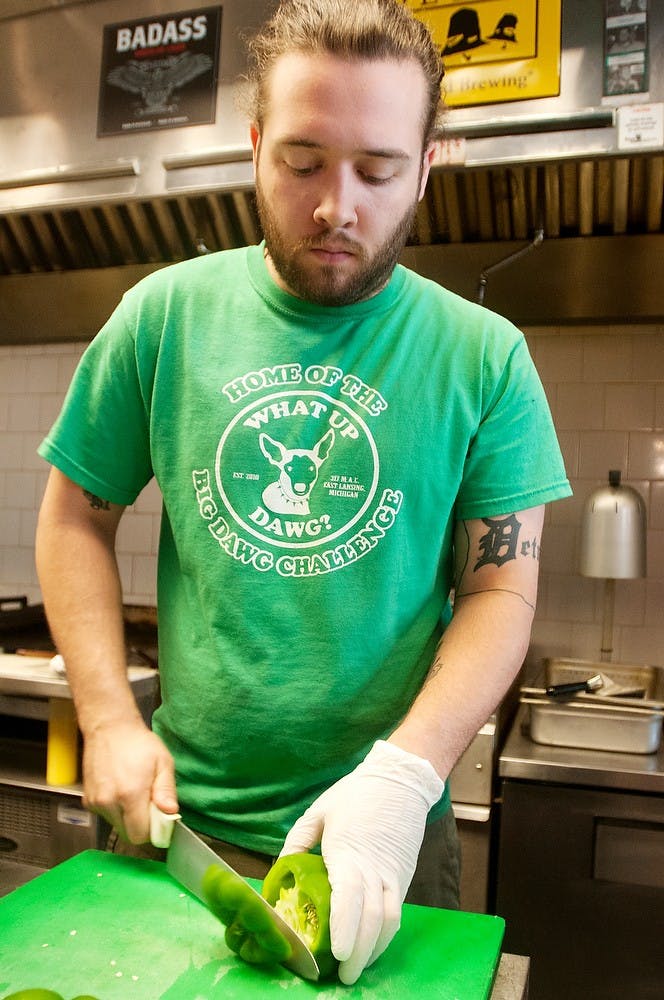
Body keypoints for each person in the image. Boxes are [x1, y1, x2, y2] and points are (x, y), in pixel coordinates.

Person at [35, 0, 571, 985]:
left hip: (384, 849)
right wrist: (107, 713)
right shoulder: (162, 318)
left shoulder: (484, 357)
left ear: (426, 161)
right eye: (301, 162)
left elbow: (500, 589)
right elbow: (76, 511)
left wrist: (403, 778)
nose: (336, 207)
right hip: (173, 832)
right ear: (252, 148)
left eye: (376, 169)